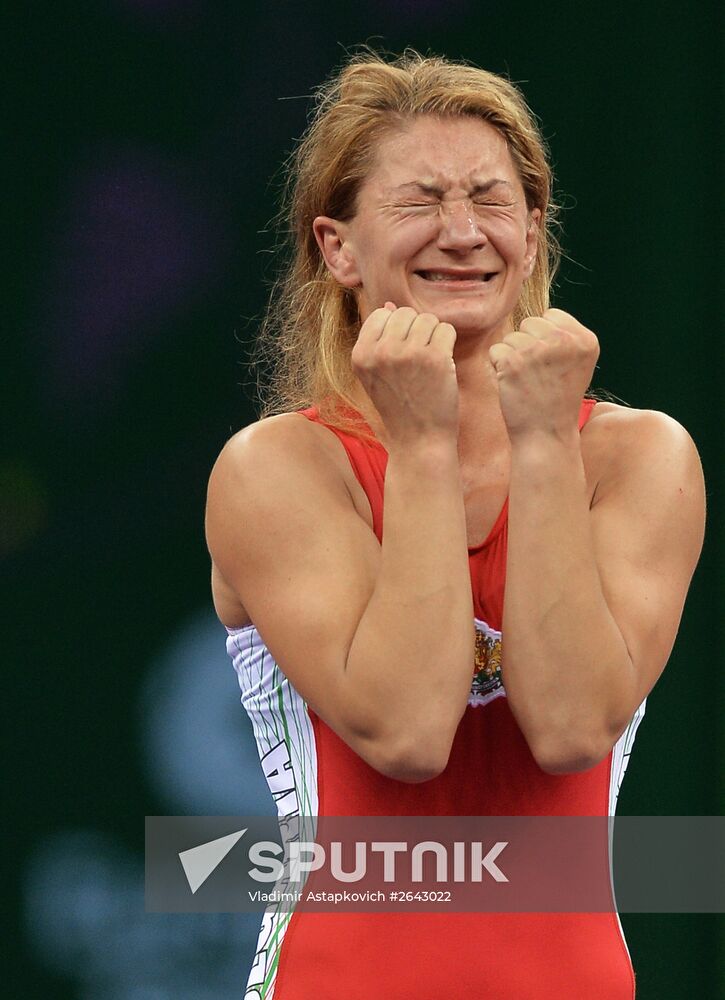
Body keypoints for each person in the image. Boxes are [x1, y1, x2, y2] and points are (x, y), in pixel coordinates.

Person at [205, 49, 705, 999]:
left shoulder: (639, 459)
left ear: (533, 229)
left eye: (490, 198)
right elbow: (405, 732)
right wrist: (424, 445)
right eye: (419, 202)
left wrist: (547, 444)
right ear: (337, 247)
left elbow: (566, 729)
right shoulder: (275, 470)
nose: (463, 232)